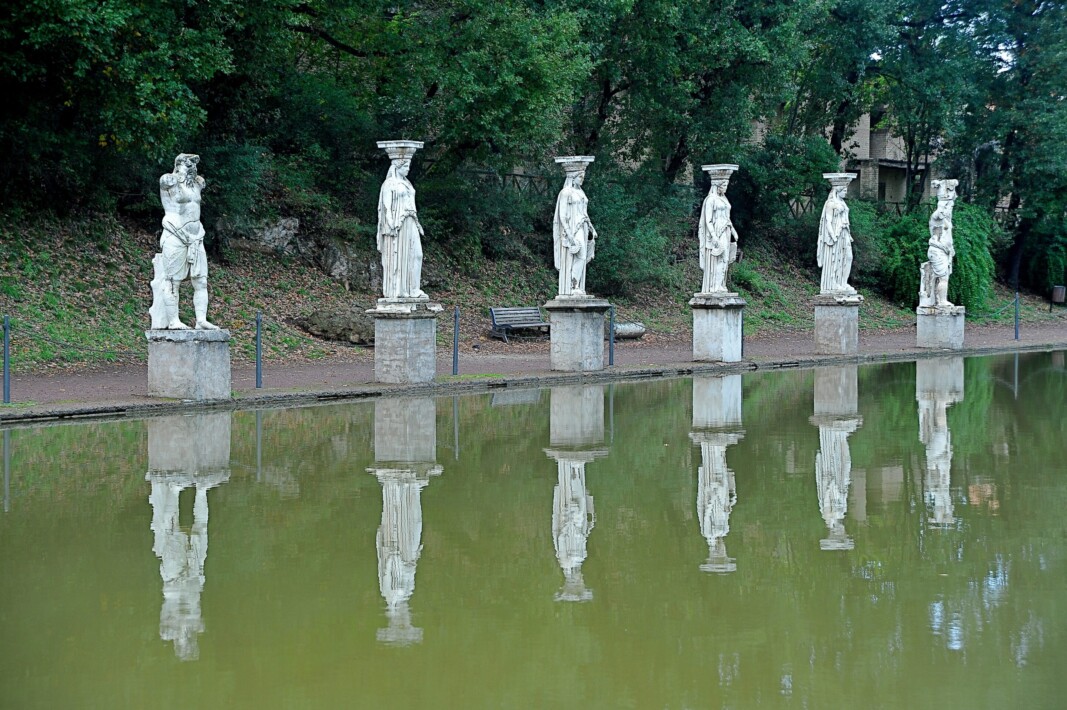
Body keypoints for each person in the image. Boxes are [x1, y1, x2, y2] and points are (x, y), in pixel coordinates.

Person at [151, 153, 219, 329]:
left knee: (201, 281)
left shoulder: (197, 183)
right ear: (178, 165)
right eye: (187, 164)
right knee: (173, 281)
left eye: (193, 165)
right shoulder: (168, 181)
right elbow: (166, 181)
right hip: (176, 236)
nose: (191, 168)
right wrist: (176, 174)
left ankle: (201, 320)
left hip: (196, 237)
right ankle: (173, 321)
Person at [376, 158, 427, 300]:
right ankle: (399, 289)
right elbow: (386, 206)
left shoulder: (407, 183)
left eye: (409, 166)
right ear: (397, 167)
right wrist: (390, 222)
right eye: (405, 166)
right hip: (398, 223)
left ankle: (414, 288)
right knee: (399, 256)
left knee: (417, 255)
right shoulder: (389, 184)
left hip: (411, 221)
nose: (408, 169)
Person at [553, 166, 597, 296]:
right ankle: (573, 286)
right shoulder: (566, 192)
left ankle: (576, 285)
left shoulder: (581, 192)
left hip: (582, 227)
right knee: (580, 255)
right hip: (572, 228)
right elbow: (562, 216)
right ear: (572, 177)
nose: (582, 180)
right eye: (580, 177)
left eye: (583, 177)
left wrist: (591, 228)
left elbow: (584, 213)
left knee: (582, 257)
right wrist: (569, 235)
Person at [920, 179, 959, 307]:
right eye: (950, 206)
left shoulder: (947, 219)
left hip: (943, 252)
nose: (950, 209)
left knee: (944, 277)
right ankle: (941, 301)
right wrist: (944, 200)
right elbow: (939, 211)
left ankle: (938, 299)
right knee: (943, 277)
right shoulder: (937, 216)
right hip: (937, 251)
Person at [698, 179, 739, 293]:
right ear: (718, 186)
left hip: (726, 230)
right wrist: (714, 236)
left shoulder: (724, 199)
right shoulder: (710, 200)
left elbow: (727, 218)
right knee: (719, 258)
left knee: (725, 259)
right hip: (716, 231)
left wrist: (733, 232)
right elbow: (708, 221)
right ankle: (714, 286)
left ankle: (720, 284)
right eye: (724, 185)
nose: (726, 188)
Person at [817, 185, 856, 294]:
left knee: (848, 257)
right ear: (837, 191)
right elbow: (827, 221)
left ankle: (843, 282)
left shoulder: (843, 203)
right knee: (835, 258)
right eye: (844, 190)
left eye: (846, 190)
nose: (845, 193)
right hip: (836, 234)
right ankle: (834, 282)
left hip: (845, 233)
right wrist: (833, 235)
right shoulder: (830, 204)